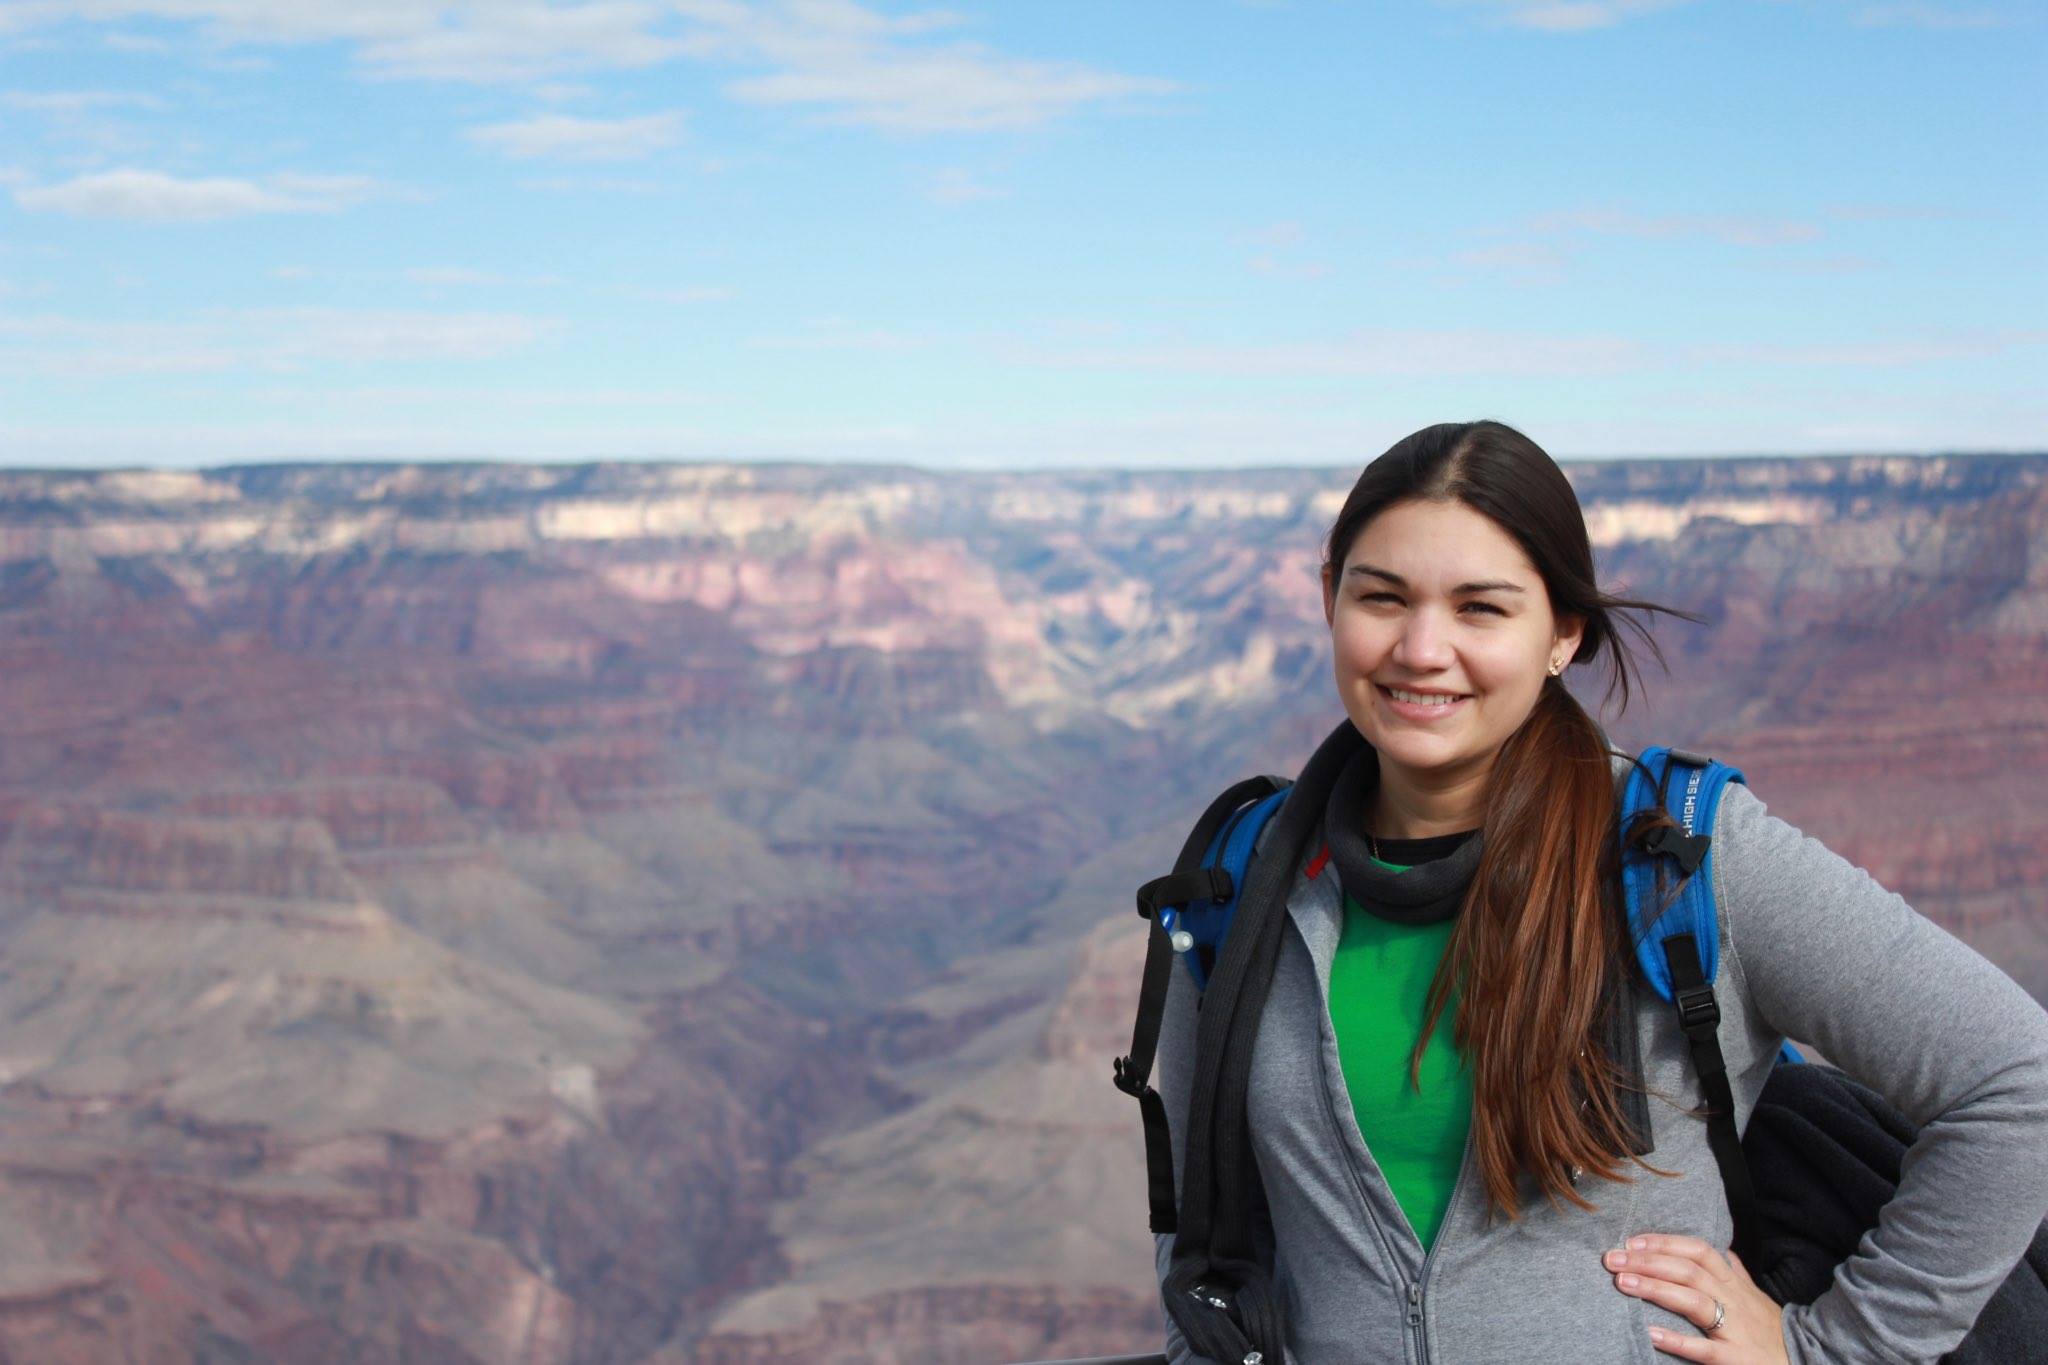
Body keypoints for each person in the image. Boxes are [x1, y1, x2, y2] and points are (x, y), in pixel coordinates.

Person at [1149, 420, 2048, 1363]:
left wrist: (1835, 1348)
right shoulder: (1242, 881)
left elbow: (2016, 1084)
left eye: (1481, 608)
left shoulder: (1684, 858)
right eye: (1382, 597)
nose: (1421, 648)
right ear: (1331, 599)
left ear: (1562, 634)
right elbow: (1196, 1220)